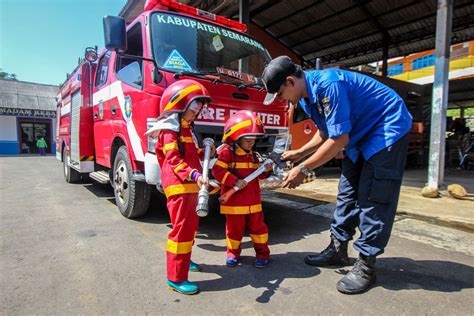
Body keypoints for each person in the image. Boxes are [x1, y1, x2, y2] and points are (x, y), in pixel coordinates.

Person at [261, 56, 412, 294]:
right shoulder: (305, 97)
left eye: (280, 94)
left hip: (386, 127)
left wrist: (304, 168)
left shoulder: (329, 85)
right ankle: (338, 249)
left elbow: (339, 139)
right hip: (360, 132)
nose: (281, 100)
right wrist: (300, 152)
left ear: (290, 81)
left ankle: (366, 265)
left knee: (374, 198)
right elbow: (325, 130)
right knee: (348, 193)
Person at [145, 79, 215, 295]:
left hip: (191, 186)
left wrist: (210, 152)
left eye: (198, 109)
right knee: (182, 231)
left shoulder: (185, 129)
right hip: (180, 187)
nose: (196, 113)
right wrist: (195, 175)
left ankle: (186, 258)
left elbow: (191, 157)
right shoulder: (169, 130)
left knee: (190, 228)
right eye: (193, 109)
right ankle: (176, 277)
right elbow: (174, 161)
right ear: (179, 105)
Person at [212, 111, 273, 268]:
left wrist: (266, 170)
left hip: (253, 203)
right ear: (236, 137)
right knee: (234, 231)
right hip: (234, 203)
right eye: (248, 140)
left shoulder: (253, 155)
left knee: (259, 229)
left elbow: (258, 176)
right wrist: (234, 181)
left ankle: (263, 254)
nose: (251, 143)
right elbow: (217, 172)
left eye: (253, 140)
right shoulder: (226, 152)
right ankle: (232, 254)